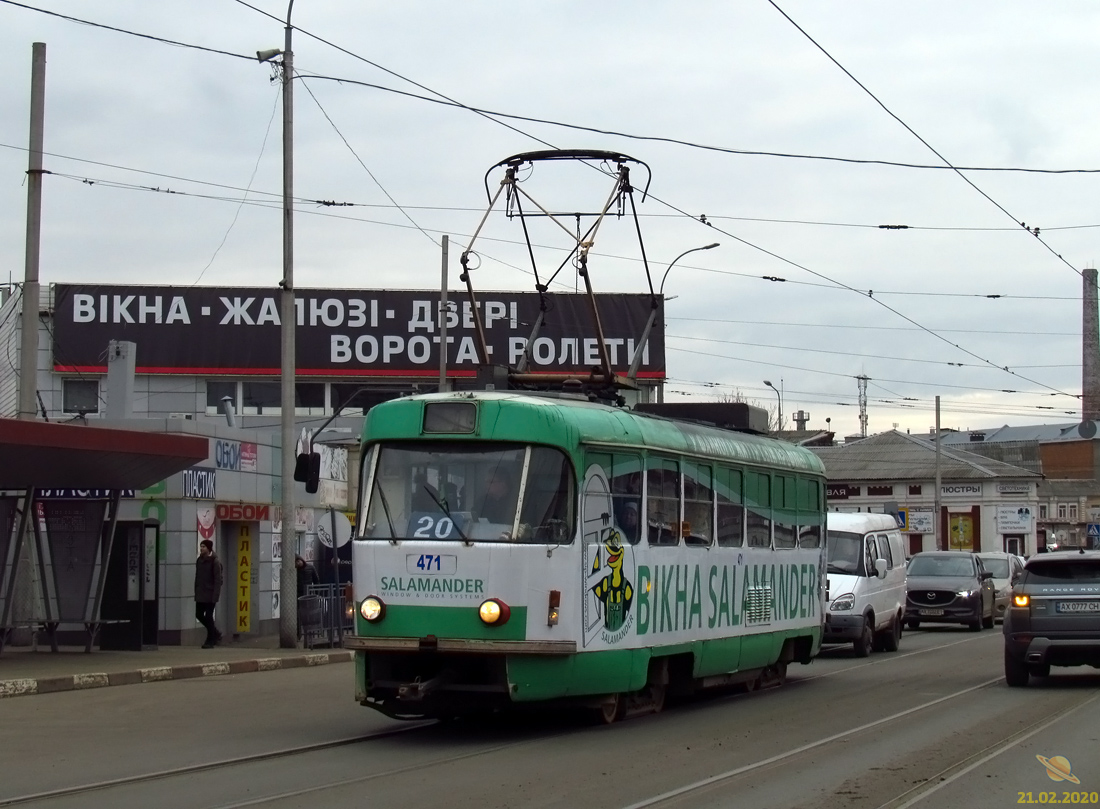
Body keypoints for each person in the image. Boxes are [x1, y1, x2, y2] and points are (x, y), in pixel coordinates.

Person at [194, 539, 223, 649]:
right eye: (201, 546)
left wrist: (215, 596)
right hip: (201, 593)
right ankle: (215, 633)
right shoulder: (199, 560)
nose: (201, 548)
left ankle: (210, 640)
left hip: (210, 594)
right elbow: (198, 577)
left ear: (209, 548)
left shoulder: (215, 561)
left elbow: (218, 580)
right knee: (199, 614)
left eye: (204, 547)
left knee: (209, 616)